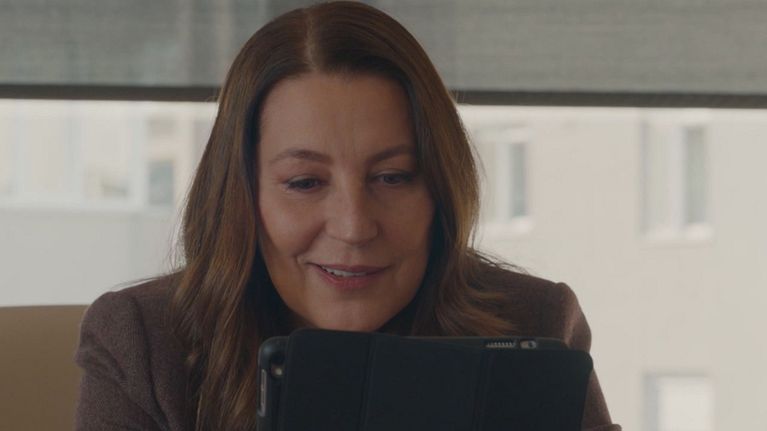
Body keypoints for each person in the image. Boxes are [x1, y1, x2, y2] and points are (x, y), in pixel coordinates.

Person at [75, 2, 620, 430]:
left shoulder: (535, 324)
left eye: (393, 177)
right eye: (305, 183)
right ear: (240, 195)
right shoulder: (142, 343)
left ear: (441, 189)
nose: (354, 227)